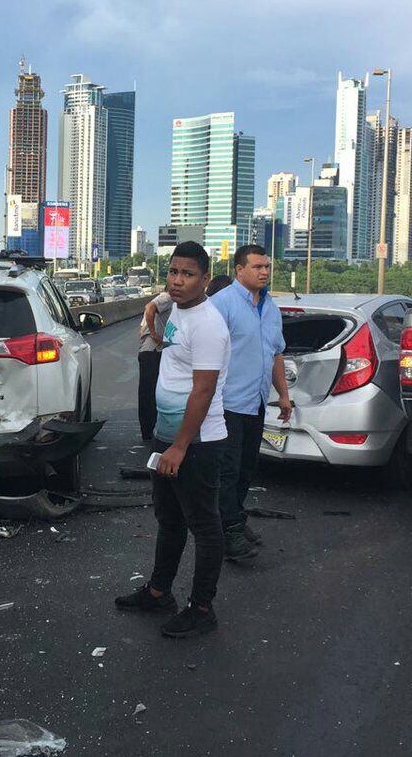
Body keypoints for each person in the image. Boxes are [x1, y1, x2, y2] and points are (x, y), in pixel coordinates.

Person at [115, 241, 231, 638]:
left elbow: (203, 390)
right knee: (169, 519)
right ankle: (159, 591)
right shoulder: (179, 310)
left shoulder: (209, 324)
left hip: (197, 442)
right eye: (173, 272)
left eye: (188, 274)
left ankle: (202, 608)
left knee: (204, 524)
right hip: (168, 436)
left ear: (205, 279)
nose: (178, 281)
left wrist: (180, 446)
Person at [210, 245, 292, 561]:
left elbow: (275, 354)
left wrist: (283, 395)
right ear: (239, 270)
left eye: (267, 266)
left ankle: (234, 519)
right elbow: (206, 354)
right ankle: (228, 531)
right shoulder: (222, 304)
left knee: (247, 469)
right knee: (228, 471)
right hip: (226, 403)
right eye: (258, 266)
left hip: (255, 402)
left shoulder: (270, 307)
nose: (264, 272)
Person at [138, 287, 174, 444]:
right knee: (151, 393)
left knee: (148, 392)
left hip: (151, 351)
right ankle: (149, 431)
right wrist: (154, 334)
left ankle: (148, 431)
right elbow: (150, 308)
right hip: (153, 351)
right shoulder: (167, 298)